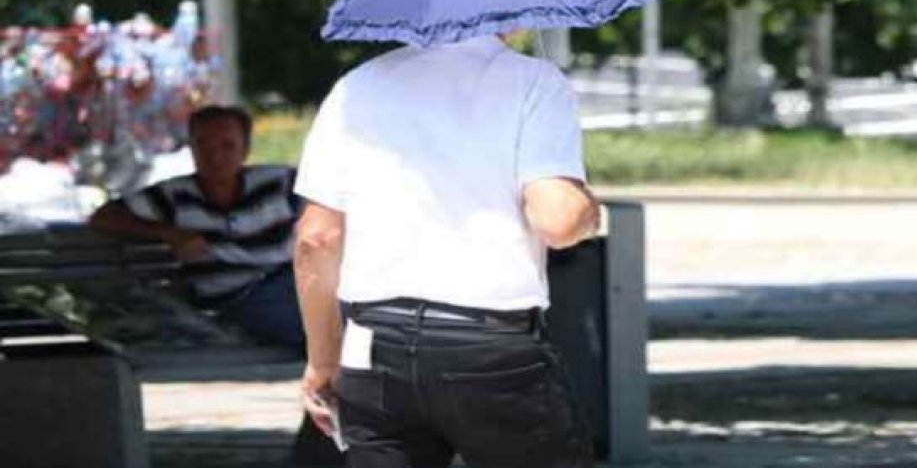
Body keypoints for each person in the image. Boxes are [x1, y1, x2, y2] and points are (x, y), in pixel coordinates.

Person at [293, 32, 600, 467]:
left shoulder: (355, 87)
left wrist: (323, 359)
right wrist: (586, 206)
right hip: (488, 344)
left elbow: (316, 237)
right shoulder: (534, 82)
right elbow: (559, 220)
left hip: (373, 344)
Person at [88, 104, 344, 467]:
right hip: (238, 299)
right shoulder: (175, 196)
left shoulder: (280, 182)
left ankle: (319, 452)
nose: (216, 155)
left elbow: (332, 214)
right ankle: (320, 456)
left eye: (227, 145)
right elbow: (103, 217)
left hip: (291, 286)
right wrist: (168, 233)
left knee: (350, 339)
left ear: (245, 147)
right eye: (204, 145)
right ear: (191, 147)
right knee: (338, 341)